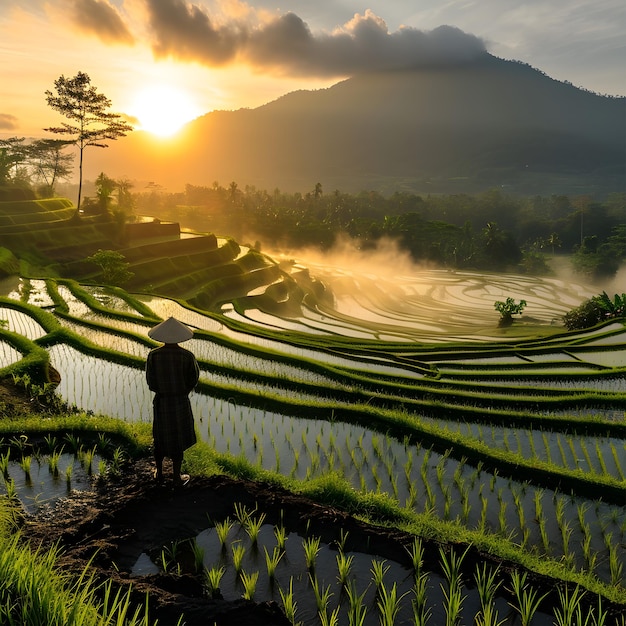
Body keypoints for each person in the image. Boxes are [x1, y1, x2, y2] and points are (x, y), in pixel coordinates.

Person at [146, 316, 199, 486]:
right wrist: (182, 391)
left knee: (160, 436)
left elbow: (150, 382)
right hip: (180, 402)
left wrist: (163, 391)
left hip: (161, 402)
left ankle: (160, 473)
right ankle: (176, 477)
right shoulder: (187, 356)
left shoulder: (153, 355)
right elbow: (193, 379)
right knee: (178, 438)